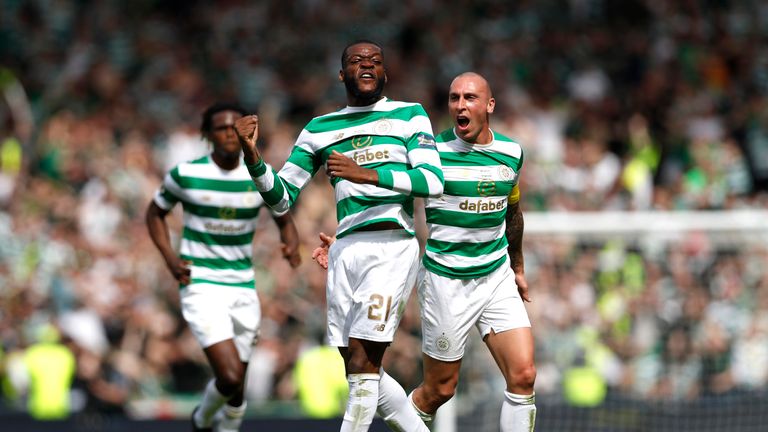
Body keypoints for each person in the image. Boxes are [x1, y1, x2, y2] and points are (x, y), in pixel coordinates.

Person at [235, 40, 444, 432]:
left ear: (385, 72)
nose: (366, 65)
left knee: (366, 364)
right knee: (360, 371)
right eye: (356, 61)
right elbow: (282, 199)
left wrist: (367, 174)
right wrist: (252, 158)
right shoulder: (319, 129)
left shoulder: (408, 115)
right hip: (345, 249)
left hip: (391, 246)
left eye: (375, 61)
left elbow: (432, 181)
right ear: (341, 73)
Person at [313, 72, 537, 431]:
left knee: (524, 375)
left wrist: (519, 268)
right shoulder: (430, 153)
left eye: (469, 98)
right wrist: (347, 237)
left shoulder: (511, 152)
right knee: (439, 390)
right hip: (446, 281)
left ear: (490, 105)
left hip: (496, 276)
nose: (460, 105)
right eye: (453, 98)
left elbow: (513, 214)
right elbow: (388, 195)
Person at [146, 102, 301, 432]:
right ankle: (202, 419)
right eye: (220, 128)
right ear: (206, 135)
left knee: (236, 390)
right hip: (201, 283)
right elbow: (155, 213)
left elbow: (282, 211)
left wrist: (290, 239)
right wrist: (170, 257)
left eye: (235, 127)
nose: (229, 134)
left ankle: (221, 425)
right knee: (229, 376)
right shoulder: (187, 174)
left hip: (244, 285)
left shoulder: (258, 175)